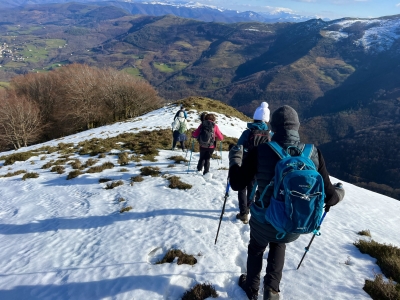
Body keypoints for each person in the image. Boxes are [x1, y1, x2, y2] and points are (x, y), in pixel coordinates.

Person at [228, 105, 345, 300]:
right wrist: (341, 191)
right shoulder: (312, 153)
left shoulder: (260, 151)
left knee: (256, 248)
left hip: (262, 220)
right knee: (279, 244)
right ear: (297, 127)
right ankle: (271, 290)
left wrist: (235, 160)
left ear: (272, 127)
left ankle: (251, 287)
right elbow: (330, 196)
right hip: (293, 224)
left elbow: (237, 183)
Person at [236, 102, 271, 224]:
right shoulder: (270, 135)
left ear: (255, 118)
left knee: (242, 187)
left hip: (246, 164)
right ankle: (249, 207)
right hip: (262, 167)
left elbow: (238, 148)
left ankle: (243, 212)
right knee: (253, 187)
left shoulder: (247, 133)